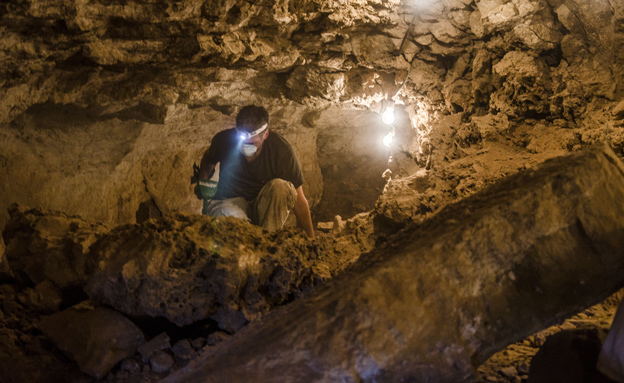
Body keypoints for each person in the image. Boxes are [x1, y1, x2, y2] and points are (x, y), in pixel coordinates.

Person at [196, 105, 315, 239]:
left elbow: (299, 200)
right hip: (228, 203)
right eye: (242, 142)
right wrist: (203, 180)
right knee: (232, 223)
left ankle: (267, 241)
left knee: (282, 187)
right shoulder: (223, 140)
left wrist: (311, 241)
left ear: (266, 135)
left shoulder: (281, 150)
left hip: (261, 208)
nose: (247, 146)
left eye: (252, 143)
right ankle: (246, 241)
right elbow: (208, 158)